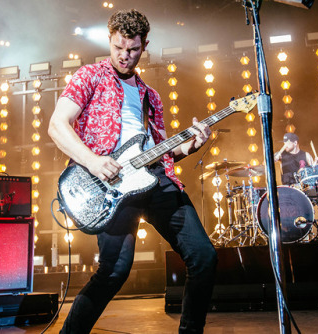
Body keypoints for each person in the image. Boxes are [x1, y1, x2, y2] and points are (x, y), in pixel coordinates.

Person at [48, 9, 217, 334]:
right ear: (110, 41)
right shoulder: (90, 76)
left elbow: (163, 152)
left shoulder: (151, 97)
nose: (125, 56)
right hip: (108, 184)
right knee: (114, 271)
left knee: (204, 258)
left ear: (145, 45)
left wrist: (190, 145)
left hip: (157, 183)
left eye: (133, 50)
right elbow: (57, 125)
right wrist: (94, 160)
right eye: (118, 48)